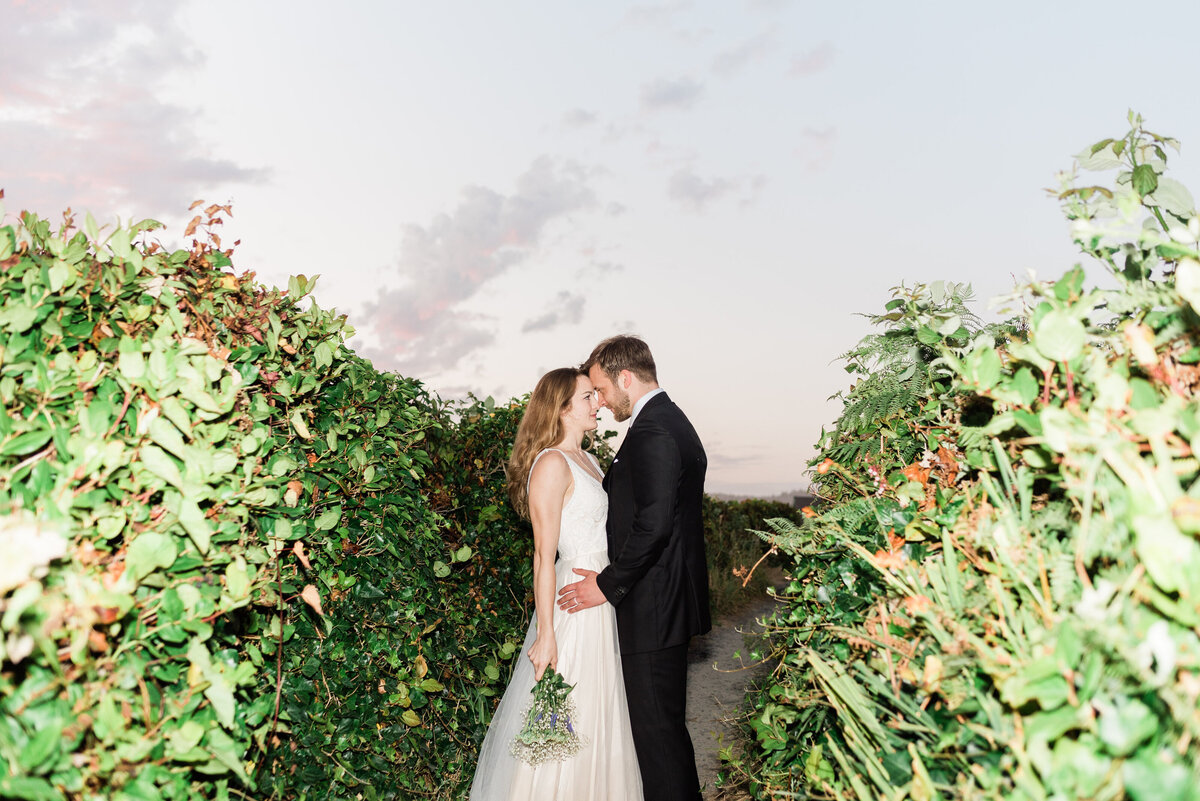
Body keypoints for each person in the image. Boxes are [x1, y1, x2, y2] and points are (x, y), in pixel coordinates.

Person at [469, 367, 643, 801]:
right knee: (567, 712)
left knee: (599, 712)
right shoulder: (551, 463)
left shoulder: (591, 459)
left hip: (601, 595)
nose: (597, 403)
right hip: (572, 603)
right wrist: (546, 635)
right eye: (588, 397)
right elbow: (543, 556)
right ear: (562, 408)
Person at [557, 335, 711, 801]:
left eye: (601, 389)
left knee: (657, 741)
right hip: (661, 602)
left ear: (626, 378)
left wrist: (605, 585)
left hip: (653, 607)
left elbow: (653, 526)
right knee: (661, 733)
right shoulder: (666, 421)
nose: (600, 400)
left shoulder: (656, 430)